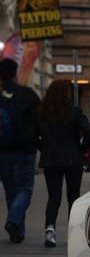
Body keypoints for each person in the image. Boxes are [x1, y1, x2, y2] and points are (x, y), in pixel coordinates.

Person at [32, 80, 90, 247]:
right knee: (73, 197)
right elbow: (88, 130)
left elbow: (31, 136)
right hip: (73, 158)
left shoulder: (41, 113)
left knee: (54, 197)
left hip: (51, 159)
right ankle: (73, 233)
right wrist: (83, 149)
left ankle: (50, 230)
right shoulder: (74, 111)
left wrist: (44, 147)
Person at [0, 58, 41, 243]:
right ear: (15, 73)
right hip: (24, 150)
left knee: (10, 190)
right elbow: (39, 120)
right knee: (24, 190)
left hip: (3, 151)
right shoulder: (26, 94)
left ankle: (18, 231)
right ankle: (13, 220)